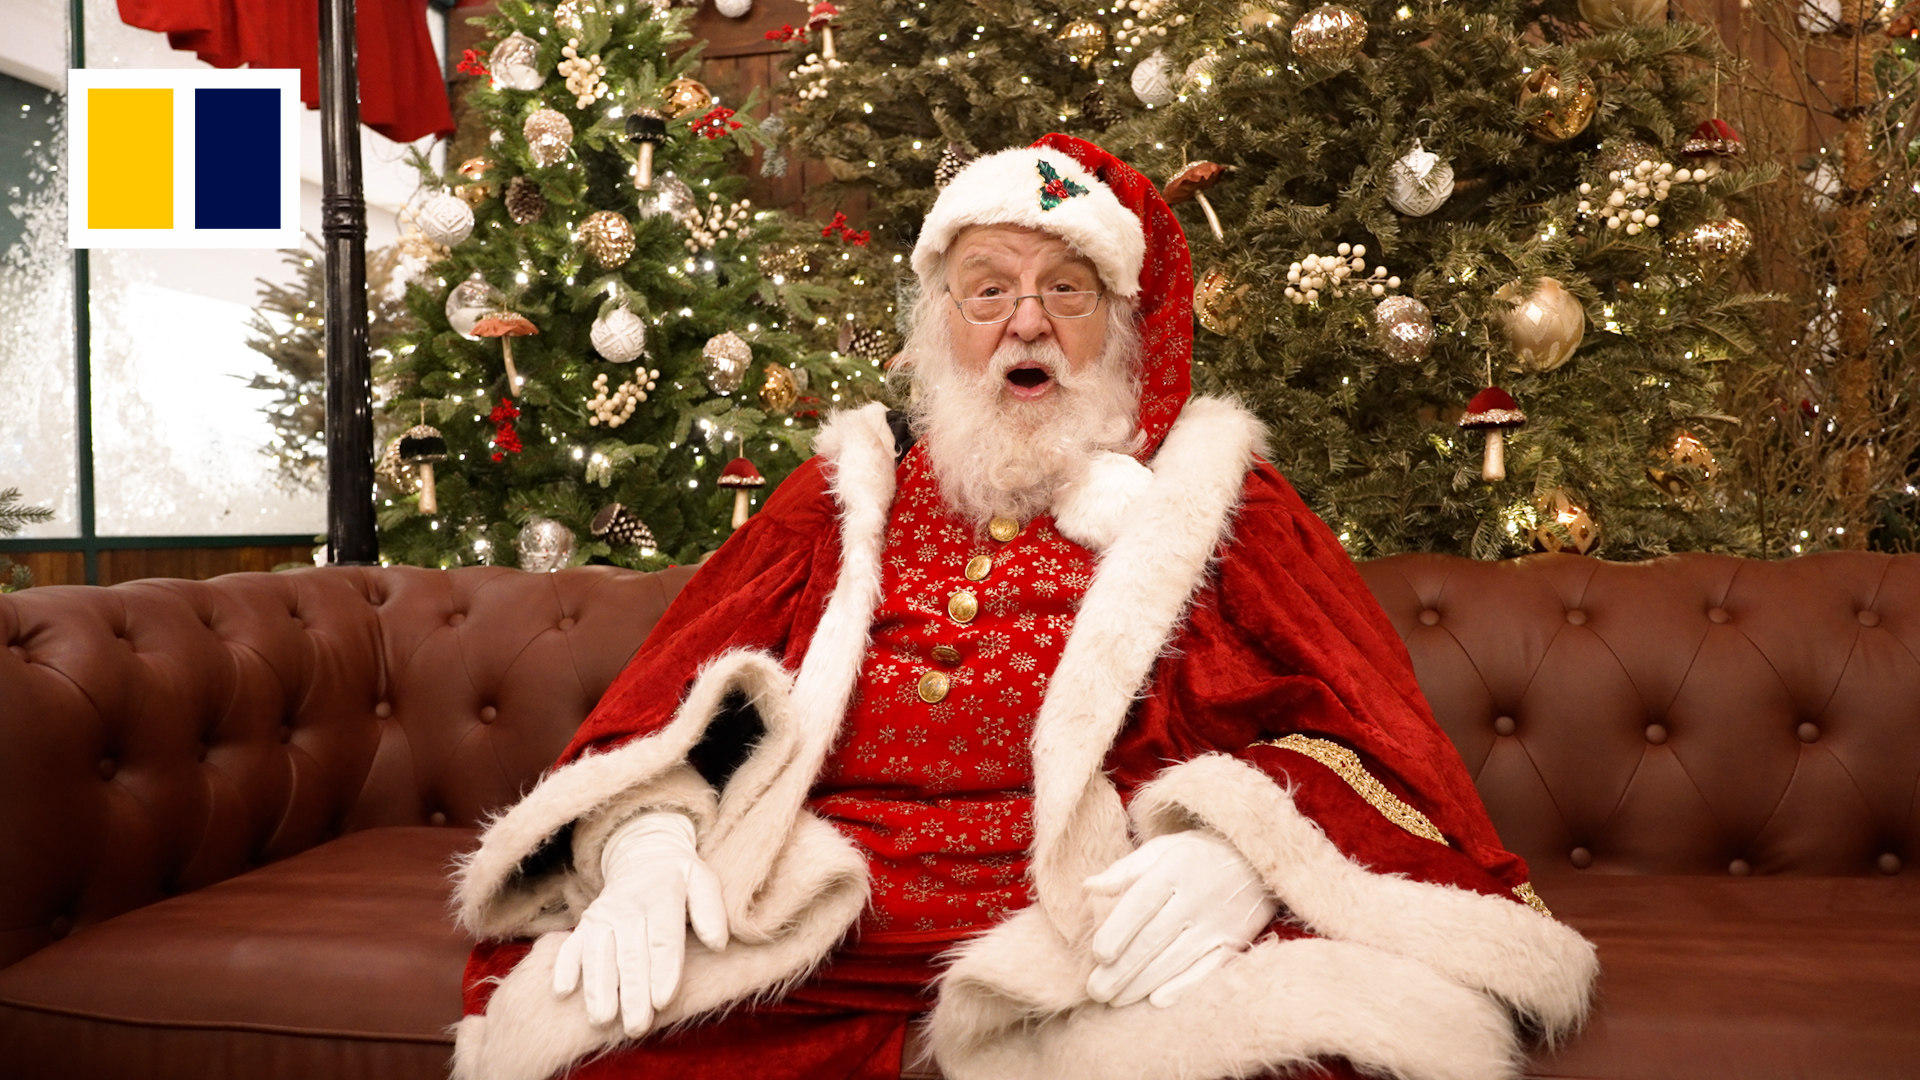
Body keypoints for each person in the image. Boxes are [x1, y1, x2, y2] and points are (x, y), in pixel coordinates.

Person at [449, 135, 1597, 1080]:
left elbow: (1361, 725)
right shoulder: (847, 490)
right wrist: (648, 842)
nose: (1027, 323)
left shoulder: (1212, 499)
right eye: (988, 290)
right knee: (594, 1057)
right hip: (817, 917)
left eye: (1067, 291)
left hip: (1088, 925)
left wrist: (1245, 849)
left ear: (1124, 323)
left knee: (1319, 1062)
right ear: (939, 323)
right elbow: (703, 703)